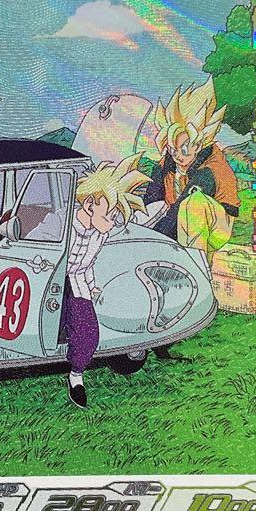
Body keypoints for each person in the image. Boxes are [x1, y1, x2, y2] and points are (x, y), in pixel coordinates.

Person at [62, 155, 150, 408]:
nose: (111, 223)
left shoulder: (99, 233)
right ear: (90, 205)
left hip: (77, 281)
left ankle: (76, 375)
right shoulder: (63, 223)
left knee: (88, 332)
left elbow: (86, 263)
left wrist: (91, 285)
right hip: (51, 280)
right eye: (109, 215)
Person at [144, 79, 240, 261]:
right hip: (178, 222)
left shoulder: (211, 168)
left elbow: (180, 209)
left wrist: (154, 242)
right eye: (172, 149)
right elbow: (150, 201)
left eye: (184, 149)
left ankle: (196, 266)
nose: (177, 156)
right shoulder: (166, 163)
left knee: (193, 204)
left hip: (216, 227)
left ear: (198, 144)